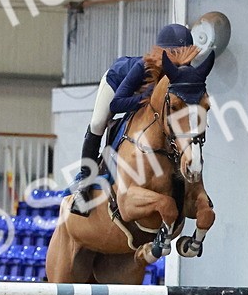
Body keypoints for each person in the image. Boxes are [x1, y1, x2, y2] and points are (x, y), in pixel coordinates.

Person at [68, 23, 199, 213]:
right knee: (97, 123)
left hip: (140, 98)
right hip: (117, 83)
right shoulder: (142, 66)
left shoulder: (182, 73)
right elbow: (117, 103)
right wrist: (148, 98)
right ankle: (84, 184)